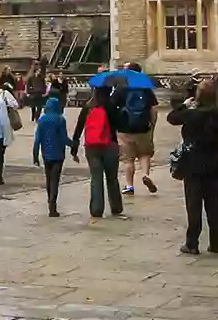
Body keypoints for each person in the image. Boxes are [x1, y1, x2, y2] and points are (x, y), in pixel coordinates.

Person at [168, 78, 218, 254]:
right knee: (213, 203)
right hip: (213, 161)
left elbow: (171, 118)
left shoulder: (192, 114)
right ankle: (215, 242)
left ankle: (192, 242)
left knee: (193, 204)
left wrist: (184, 105)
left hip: (193, 162)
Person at [72, 83, 126, 220]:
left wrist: (74, 147)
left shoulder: (88, 106)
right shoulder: (112, 107)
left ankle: (96, 209)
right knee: (112, 178)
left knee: (96, 178)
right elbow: (121, 125)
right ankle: (116, 207)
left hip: (92, 147)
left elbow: (79, 128)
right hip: (110, 145)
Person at [117, 64, 159, 196]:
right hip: (143, 127)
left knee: (128, 159)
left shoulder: (122, 88)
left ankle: (129, 186)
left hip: (124, 128)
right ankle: (145, 174)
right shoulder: (145, 88)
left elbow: (112, 107)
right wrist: (152, 125)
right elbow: (153, 109)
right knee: (144, 154)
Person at [31, 95, 70, 217]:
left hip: (46, 154)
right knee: (55, 180)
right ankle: (53, 203)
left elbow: (37, 139)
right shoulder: (60, 119)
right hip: (58, 154)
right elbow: (64, 138)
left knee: (48, 178)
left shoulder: (42, 120)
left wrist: (35, 156)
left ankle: (50, 201)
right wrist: (74, 144)